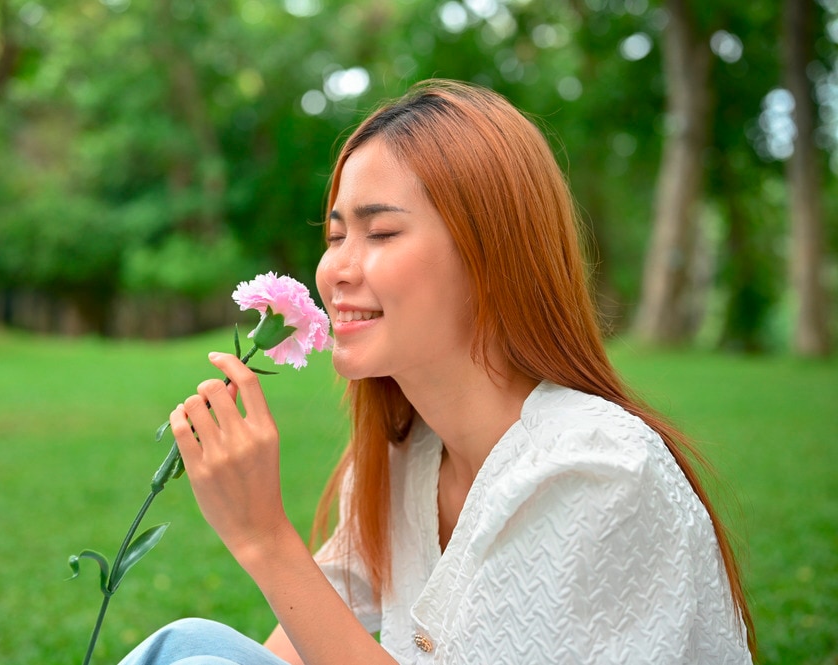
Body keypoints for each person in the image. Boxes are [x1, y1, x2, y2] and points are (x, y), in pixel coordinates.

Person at [119, 79, 755, 664]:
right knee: (193, 650)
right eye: (337, 235)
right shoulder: (407, 459)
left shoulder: (596, 471)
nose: (336, 269)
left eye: (383, 233)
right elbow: (296, 642)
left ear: (490, 255)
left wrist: (263, 537)